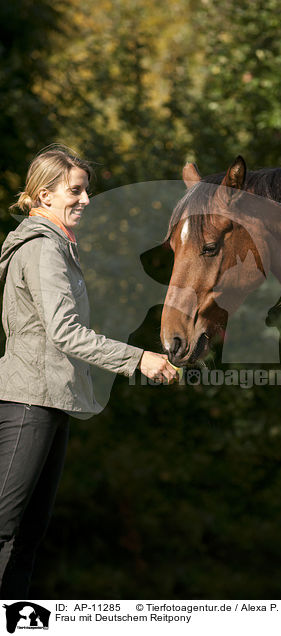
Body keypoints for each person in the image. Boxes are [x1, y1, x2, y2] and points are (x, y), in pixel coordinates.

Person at [0, 144, 177, 599]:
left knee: (26, 537)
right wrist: (138, 359)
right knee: (6, 529)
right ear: (44, 196)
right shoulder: (43, 249)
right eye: (75, 191)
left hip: (50, 398)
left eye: (87, 190)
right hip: (28, 401)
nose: (86, 199)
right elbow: (65, 332)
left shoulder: (59, 248)